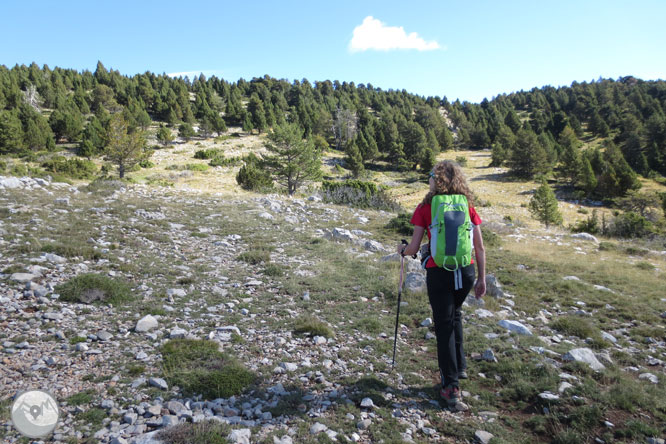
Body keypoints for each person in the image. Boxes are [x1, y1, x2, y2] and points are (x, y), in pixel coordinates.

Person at [396, 160, 486, 407]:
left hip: (440, 272)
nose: (429, 179)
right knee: (455, 314)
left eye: (430, 175)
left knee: (444, 325)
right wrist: (482, 278)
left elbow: (413, 248)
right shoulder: (467, 205)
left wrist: (402, 250)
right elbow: (479, 246)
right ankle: (460, 367)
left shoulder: (426, 207)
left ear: (437, 180)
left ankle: (451, 387)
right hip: (465, 271)